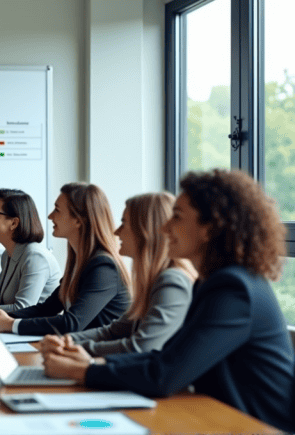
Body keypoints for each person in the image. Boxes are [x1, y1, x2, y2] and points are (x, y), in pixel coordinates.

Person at [43, 169, 295, 433]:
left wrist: (83, 371)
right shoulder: (214, 282)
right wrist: (88, 362)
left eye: (177, 217)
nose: (165, 227)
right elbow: (167, 357)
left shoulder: (233, 288)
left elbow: (166, 374)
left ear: (210, 228)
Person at [41, 192, 195, 357]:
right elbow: (112, 332)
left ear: (145, 231)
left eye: (124, 223)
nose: (116, 232)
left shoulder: (171, 281)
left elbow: (140, 347)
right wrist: (67, 341)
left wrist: (73, 349)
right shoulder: (154, 281)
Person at [0, 182, 131, 336]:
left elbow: (72, 323)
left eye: (57, 210)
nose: (50, 216)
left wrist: (10, 324)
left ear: (78, 220)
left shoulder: (104, 266)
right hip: (78, 351)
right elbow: (47, 309)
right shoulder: (79, 262)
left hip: (103, 355)